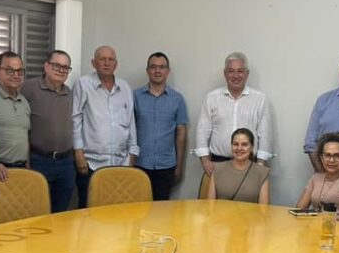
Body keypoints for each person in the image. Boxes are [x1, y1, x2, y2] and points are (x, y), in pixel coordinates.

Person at [72, 46, 139, 208]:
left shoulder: (125, 87)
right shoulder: (83, 84)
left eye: (111, 60)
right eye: (102, 59)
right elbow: (75, 118)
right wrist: (78, 153)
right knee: (88, 211)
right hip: (91, 164)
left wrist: (132, 153)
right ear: (93, 63)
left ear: (116, 64)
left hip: (120, 163)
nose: (107, 63)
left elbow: (131, 121)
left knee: (116, 211)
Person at [195, 52, 273, 176]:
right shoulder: (212, 97)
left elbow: (265, 134)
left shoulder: (260, 99)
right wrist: (205, 160)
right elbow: (202, 131)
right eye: (231, 71)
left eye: (240, 71)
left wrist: (260, 165)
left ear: (247, 74)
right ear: (225, 74)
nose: (235, 76)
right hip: (218, 163)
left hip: (250, 165)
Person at [21, 50, 74, 213]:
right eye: (57, 65)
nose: (61, 70)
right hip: (39, 160)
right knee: (37, 210)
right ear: (46, 66)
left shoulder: (69, 93)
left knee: (61, 212)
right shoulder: (28, 88)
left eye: (65, 67)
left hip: (66, 162)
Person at [134, 52, 188, 200]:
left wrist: (179, 165)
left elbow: (181, 133)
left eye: (162, 67)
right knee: (138, 209)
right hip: (140, 164)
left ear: (167, 71)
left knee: (162, 210)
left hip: (166, 165)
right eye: (153, 67)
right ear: (147, 70)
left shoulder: (177, 99)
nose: (157, 71)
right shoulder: (134, 97)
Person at [295, 132, 339, 225]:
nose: (331, 160)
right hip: (314, 228)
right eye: (327, 155)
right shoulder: (315, 178)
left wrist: (333, 229)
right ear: (321, 157)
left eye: (337, 156)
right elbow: (300, 208)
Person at [0, 51, 31, 180]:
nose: (16, 75)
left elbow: (25, 136)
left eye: (20, 71)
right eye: (10, 71)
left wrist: (27, 164)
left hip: (22, 169)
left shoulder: (24, 101)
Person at [206, 128, 270, 203]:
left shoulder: (262, 172)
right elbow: (210, 205)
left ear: (252, 147)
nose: (239, 148)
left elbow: (263, 208)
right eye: (236, 144)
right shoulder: (217, 169)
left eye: (244, 144)